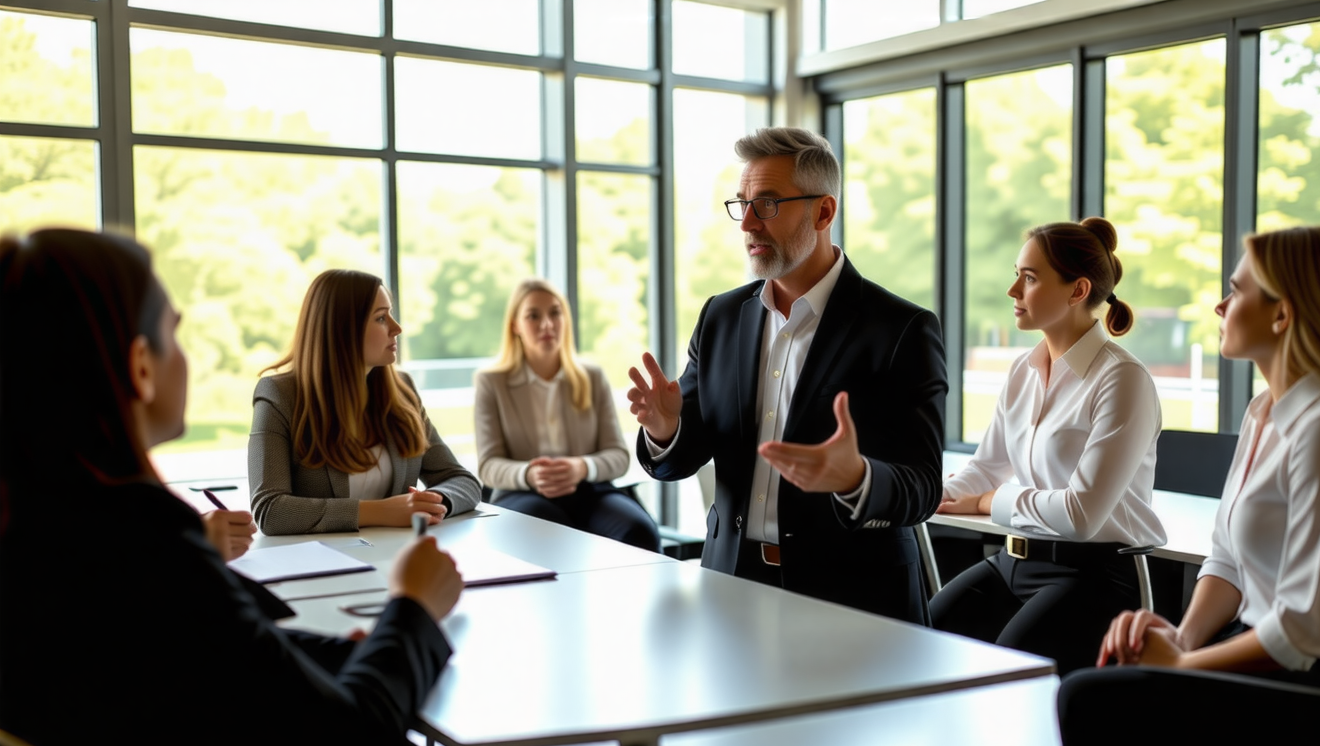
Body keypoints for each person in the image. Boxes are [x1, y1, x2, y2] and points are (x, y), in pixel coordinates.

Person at [0, 229, 464, 746]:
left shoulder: (49, 534)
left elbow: (221, 648)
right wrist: (413, 607)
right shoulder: (142, 547)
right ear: (141, 366)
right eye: (175, 335)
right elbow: (352, 742)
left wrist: (361, 650)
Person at [628, 127, 947, 623]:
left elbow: (923, 487)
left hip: (854, 602)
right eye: (742, 203)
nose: (747, 223)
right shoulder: (721, 317)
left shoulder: (901, 328)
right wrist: (666, 429)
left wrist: (857, 477)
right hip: (730, 586)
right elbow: (679, 459)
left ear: (824, 212)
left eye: (769, 204)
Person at [1058, 226, 1320, 746]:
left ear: (1282, 315)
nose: (1219, 304)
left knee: (1088, 701)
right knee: (1105, 682)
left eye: (1236, 291)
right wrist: (1183, 638)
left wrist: (1182, 666)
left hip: (1311, 685)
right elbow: (1227, 559)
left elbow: (1303, 631)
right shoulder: (1263, 413)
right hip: (1259, 651)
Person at [930, 218, 1165, 673]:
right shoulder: (1024, 368)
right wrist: (933, 492)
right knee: (925, 640)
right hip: (1015, 562)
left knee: (1005, 677)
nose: (1012, 290)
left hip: (1093, 574)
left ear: (1077, 291)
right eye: (1017, 273)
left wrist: (990, 501)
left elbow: (1081, 515)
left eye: (1030, 278)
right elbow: (987, 467)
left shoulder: (1122, 379)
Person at [249, 269, 481, 535]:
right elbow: (270, 510)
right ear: (342, 330)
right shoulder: (279, 394)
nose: (397, 328)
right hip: (322, 563)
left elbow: (462, 481)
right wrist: (382, 512)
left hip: (397, 554)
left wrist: (428, 504)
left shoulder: (402, 389)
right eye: (381, 318)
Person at [474, 279, 662, 551]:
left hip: (589, 490)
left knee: (639, 531)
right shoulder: (491, 382)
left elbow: (618, 457)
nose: (547, 324)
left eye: (555, 312)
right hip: (522, 493)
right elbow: (488, 466)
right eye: (533, 315)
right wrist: (530, 474)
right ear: (515, 325)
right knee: (548, 528)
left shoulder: (592, 377)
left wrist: (581, 467)